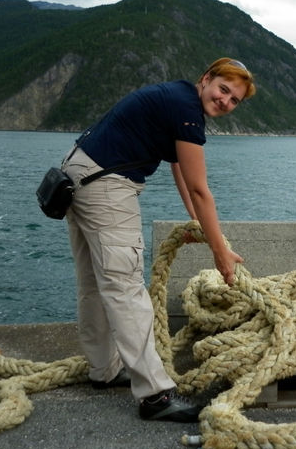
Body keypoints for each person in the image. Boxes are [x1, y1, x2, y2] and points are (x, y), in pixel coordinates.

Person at [61, 57, 256, 422]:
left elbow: (181, 171)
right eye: (223, 89)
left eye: (234, 100)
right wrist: (220, 253)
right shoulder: (187, 110)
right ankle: (155, 395)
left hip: (79, 175)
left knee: (93, 283)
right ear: (206, 78)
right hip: (106, 186)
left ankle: (103, 370)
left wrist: (199, 224)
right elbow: (201, 188)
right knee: (126, 288)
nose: (225, 101)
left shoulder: (177, 99)